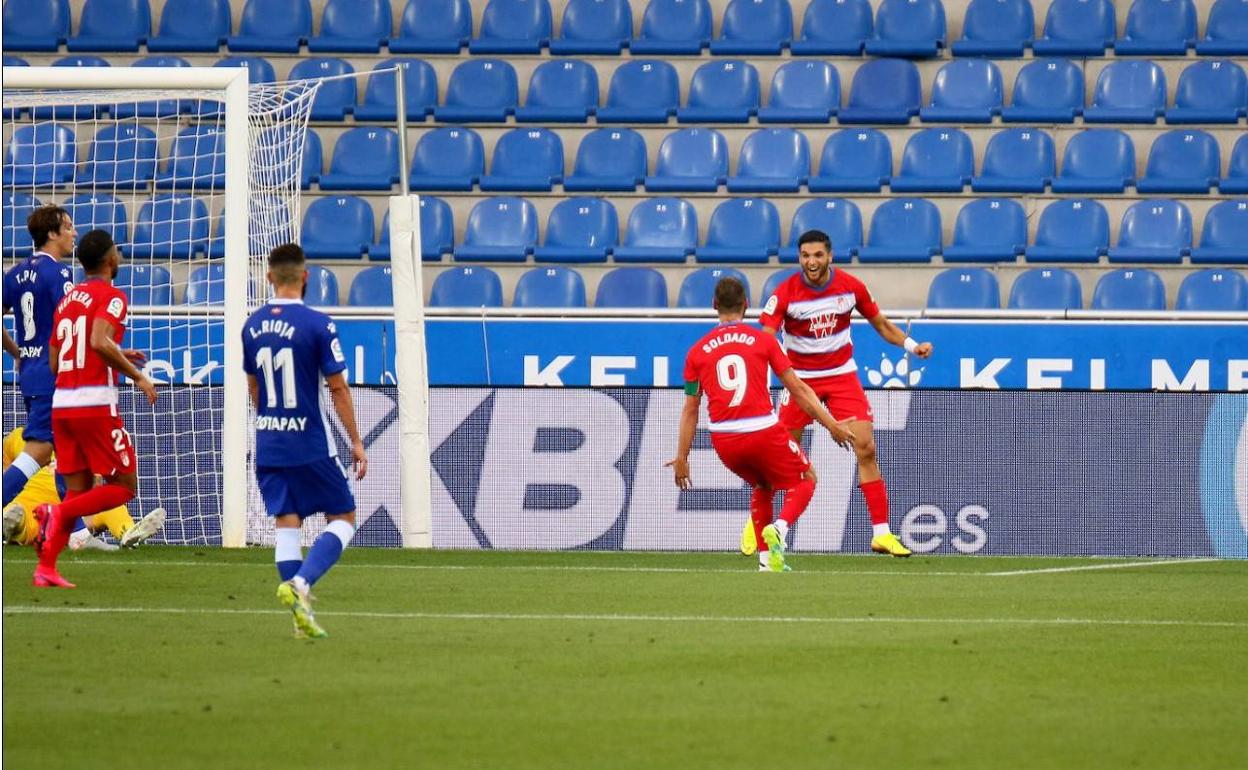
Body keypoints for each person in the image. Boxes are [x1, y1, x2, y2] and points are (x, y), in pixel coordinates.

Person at [759, 229, 934, 558]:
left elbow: (881, 324)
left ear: (830, 256)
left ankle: (881, 533)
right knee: (779, 456)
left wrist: (912, 346)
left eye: (817, 255)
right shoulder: (783, 294)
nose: (811, 262)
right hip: (800, 381)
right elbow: (766, 340)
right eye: (805, 256)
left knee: (866, 447)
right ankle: (760, 524)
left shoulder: (851, 288)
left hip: (841, 376)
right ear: (799, 258)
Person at [667, 277, 857, 572]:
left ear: (714, 306)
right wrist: (831, 424)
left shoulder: (696, 352)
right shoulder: (763, 340)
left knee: (762, 483)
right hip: (761, 430)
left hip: (724, 441)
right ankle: (780, 528)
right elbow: (798, 389)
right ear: (747, 305)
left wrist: (682, 457)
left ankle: (768, 562)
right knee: (806, 478)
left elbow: (691, 408)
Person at [242, 243, 367, 639]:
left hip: (269, 441)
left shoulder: (251, 325)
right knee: (343, 517)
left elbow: (254, 387)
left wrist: (269, 421)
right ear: (306, 277)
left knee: (287, 522)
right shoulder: (318, 323)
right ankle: (301, 583)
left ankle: (301, 618)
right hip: (310, 441)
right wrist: (357, 441)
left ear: (268, 277)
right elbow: (338, 388)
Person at [32, 229, 159, 588]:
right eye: (117, 252)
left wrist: (117, 354)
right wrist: (138, 376)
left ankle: (46, 568)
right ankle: (56, 514)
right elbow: (99, 340)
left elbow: (56, 363)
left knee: (78, 488)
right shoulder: (114, 297)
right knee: (125, 486)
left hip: (62, 405)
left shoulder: (67, 300)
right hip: (94, 406)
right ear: (110, 260)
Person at [2, 206, 77, 513]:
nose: (74, 233)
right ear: (51, 234)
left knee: (66, 449)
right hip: (54, 374)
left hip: (31, 371)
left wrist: (17, 352)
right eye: (69, 227)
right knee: (39, 450)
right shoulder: (59, 273)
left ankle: (77, 531)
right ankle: (77, 530)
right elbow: (71, 322)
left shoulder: (15, 273)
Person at [2, 427, 165, 550]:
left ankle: (129, 532)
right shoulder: (21, 437)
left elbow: (97, 483)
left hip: (72, 510)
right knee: (23, 516)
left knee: (112, 508)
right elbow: (7, 466)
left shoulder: (87, 445)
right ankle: (13, 522)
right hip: (33, 499)